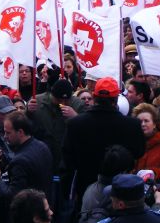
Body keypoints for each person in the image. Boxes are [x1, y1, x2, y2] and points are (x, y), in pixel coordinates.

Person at [62, 77, 145, 208]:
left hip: (86, 189)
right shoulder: (132, 125)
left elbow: (68, 157)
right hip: (122, 192)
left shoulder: (75, 124)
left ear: (94, 97)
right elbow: (139, 152)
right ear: (116, 99)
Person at [0, 111, 52, 202]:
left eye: (8, 133)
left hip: (30, 211)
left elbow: (13, 196)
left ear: (20, 132)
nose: (5, 136)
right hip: (47, 205)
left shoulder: (19, 161)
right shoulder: (42, 146)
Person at [26, 78, 85, 171]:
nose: (62, 103)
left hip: (67, 157)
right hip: (43, 154)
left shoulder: (78, 104)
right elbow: (25, 126)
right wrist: (28, 112)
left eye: (66, 100)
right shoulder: (37, 101)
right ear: (52, 95)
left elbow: (87, 128)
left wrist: (76, 117)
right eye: (59, 99)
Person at [131, 103, 160, 182]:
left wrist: (154, 173)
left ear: (154, 124)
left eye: (146, 121)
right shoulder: (131, 143)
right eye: (139, 121)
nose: (143, 124)